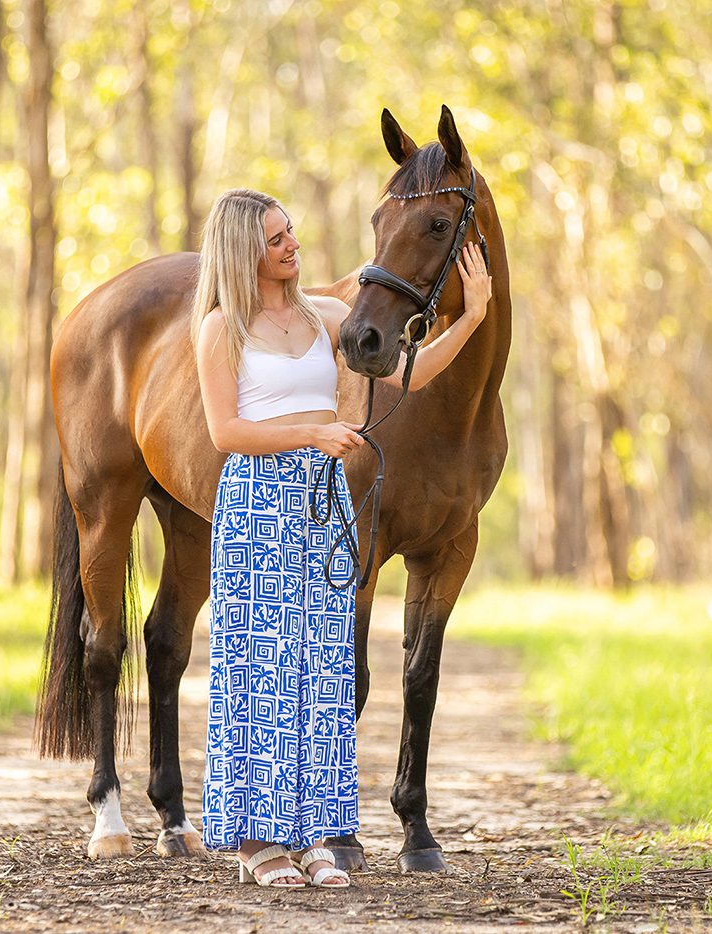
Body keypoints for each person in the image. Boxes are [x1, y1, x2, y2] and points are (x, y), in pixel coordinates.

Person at [191, 188, 491, 888]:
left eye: (290, 231)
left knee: (321, 670)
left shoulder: (325, 316)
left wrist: (472, 319)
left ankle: (313, 834)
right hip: (259, 504)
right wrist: (315, 432)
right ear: (245, 254)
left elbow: (407, 374)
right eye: (276, 239)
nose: (293, 245)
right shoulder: (220, 328)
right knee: (260, 671)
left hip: (323, 505)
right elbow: (225, 433)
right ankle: (257, 844)